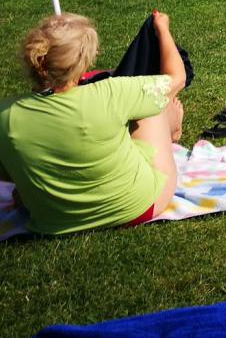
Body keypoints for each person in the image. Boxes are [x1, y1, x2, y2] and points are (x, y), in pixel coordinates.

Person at [0, 12, 186, 234]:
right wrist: (163, 27)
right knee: (154, 106)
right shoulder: (110, 93)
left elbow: (7, 173)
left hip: (55, 221)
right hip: (137, 205)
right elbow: (177, 78)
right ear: (81, 62)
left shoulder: (7, 114)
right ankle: (170, 129)